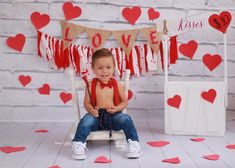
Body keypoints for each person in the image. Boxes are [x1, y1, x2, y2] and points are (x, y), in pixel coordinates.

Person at [72, 48, 142, 160]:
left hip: (113, 117)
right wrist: (91, 110)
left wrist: (117, 108)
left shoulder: (117, 84)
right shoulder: (90, 85)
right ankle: (78, 143)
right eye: (100, 68)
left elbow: (124, 102)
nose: (105, 71)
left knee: (126, 119)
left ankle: (134, 142)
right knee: (86, 121)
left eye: (108, 67)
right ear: (93, 69)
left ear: (114, 67)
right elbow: (87, 103)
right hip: (96, 117)